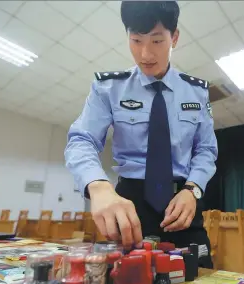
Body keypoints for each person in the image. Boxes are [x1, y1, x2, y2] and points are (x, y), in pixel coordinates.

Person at [64, 1, 217, 268]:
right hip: (129, 208)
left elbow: (205, 150)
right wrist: (98, 187)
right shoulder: (109, 88)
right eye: (136, 40)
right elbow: (82, 139)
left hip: (183, 204)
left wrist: (193, 190)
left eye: (157, 41)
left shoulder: (197, 92)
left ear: (175, 37)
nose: (145, 53)